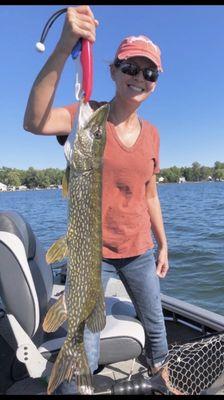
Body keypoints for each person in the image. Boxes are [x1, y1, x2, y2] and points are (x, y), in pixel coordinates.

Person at [24, 5, 178, 395]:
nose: (139, 77)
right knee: (85, 353)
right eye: (130, 68)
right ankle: (67, 379)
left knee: (157, 329)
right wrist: (64, 46)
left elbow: (149, 193)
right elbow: (35, 121)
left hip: (139, 249)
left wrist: (164, 243)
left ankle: (165, 381)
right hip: (90, 254)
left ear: (155, 83)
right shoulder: (86, 117)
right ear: (112, 70)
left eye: (149, 72)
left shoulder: (154, 135)